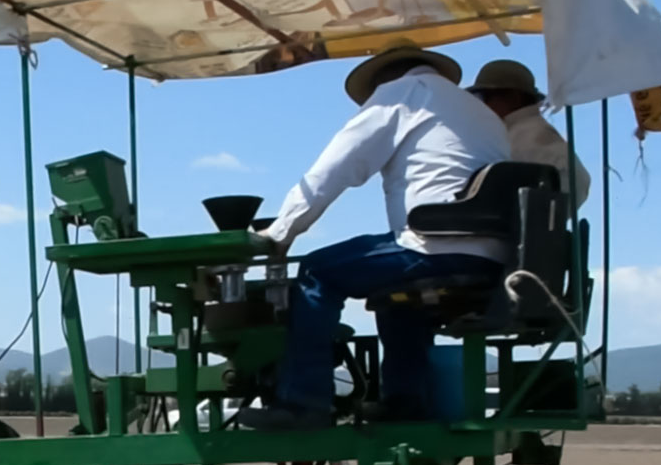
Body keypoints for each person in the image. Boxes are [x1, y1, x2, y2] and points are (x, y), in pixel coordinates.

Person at [245, 41, 512, 429]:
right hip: (494, 256)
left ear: (382, 79)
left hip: (439, 243)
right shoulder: (480, 112)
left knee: (318, 271)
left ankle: (304, 403)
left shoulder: (399, 94)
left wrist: (281, 232)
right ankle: (405, 402)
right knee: (398, 297)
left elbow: (336, 167)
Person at [467, 60, 590, 207]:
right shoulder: (531, 131)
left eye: (487, 97)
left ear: (513, 97)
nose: (483, 105)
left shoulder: (521, 136)